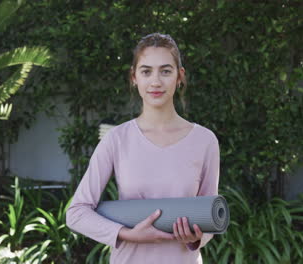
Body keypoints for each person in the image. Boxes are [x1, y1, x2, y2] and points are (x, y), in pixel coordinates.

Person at [65, 33, 220, 264]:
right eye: (146, 71)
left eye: (165, 71)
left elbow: (210, 213)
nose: (156, 81)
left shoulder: (204, 140)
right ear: (134, 77)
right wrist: (127, 234)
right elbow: (76, 213)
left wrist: (197, 237)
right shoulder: (116, 139)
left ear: (180, 76)